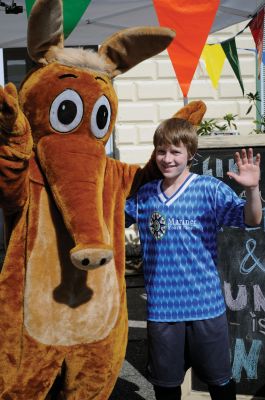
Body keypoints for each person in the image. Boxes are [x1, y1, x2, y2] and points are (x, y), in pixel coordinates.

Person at [125, 117, 262, 400]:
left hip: (205, 306)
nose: (167, 158)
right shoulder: (144, 196)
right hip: (162, 310)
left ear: (190, 153)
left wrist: (251, 190)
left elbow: (252, 220)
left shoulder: (209, 190)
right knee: (165, 387)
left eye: (175, 151)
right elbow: (108, 218)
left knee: (220, 383)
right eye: (161, 151)